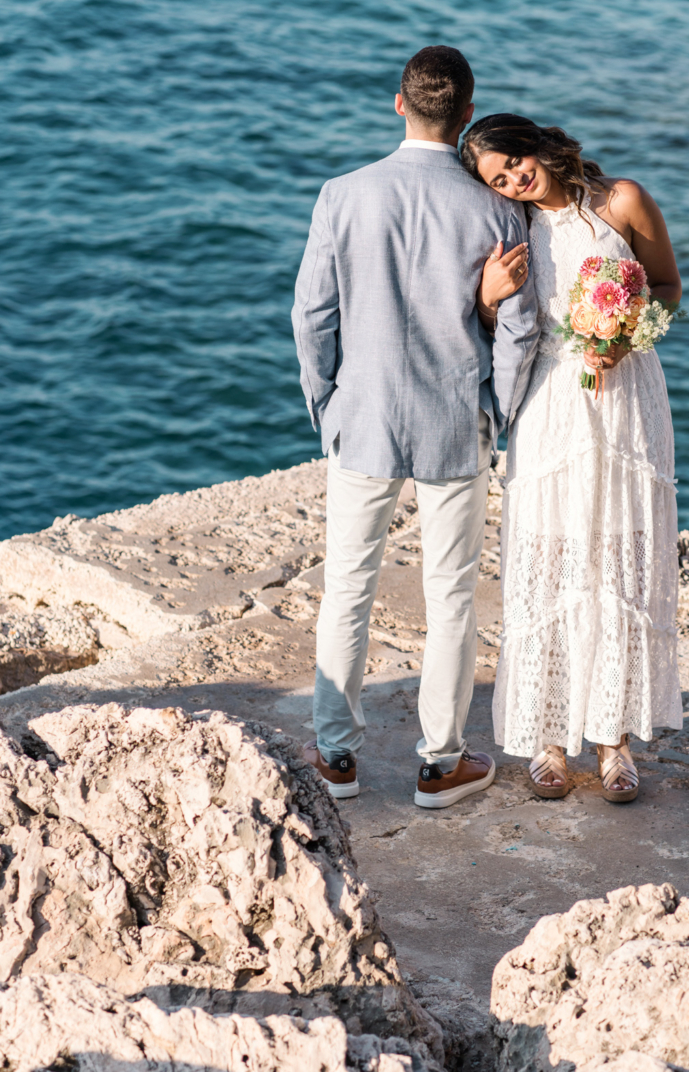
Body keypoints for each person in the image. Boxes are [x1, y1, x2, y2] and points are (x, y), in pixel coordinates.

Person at [292, 50, 540, 809]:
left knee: (347, 588)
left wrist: (324, 404)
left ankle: (336, 759)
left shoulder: (342, 193)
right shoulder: (496, 209)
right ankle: (440, 764)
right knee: (452, 596)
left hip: (360, 415)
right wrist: (498, 412)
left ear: (398, 103)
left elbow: (312, 315)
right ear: (466, 115)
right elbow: (519, 328)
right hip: (451, 417)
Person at [460, 113, 682, 802]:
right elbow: (497, 323)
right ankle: (549, 738)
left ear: (537, 144)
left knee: (620, 554)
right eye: (498, 179)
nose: (514, 180)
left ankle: (614, 742)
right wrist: (489, 301)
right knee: (550, 557)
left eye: (515, 161)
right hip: (550, 398)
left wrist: (630, 335)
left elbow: (668, 287)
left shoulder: (623, 200)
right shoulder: (509, 227)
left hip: (626, 394)